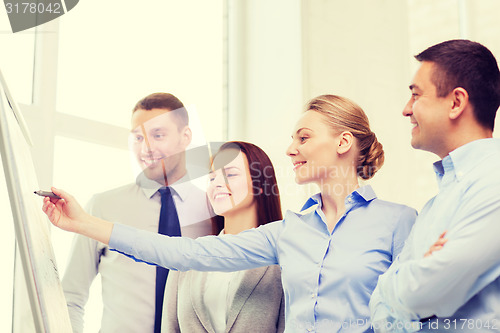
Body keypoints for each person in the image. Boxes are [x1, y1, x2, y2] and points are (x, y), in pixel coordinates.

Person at [43, 94, 417, 333]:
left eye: (303, 138)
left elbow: (417, 314)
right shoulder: (289, 232)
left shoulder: (399, 222)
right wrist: (84, 222)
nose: (290, 150)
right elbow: (184, 254)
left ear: (342, 143)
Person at [369, 39, 500, 332]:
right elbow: (377, 311)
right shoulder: (434, 205)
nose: (406, 109)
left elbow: (426, 293)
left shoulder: (495, 182)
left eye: (416, 95)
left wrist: (399, 281)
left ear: (456, 103)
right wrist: (412, 278)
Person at [61, 93, 213, 333]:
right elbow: (70, 296)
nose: (146, 148)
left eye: (158, 135)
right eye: (138, 137)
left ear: (185, 137)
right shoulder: (102, 206)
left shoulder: (213, 211)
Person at [163, 141, 285, 332]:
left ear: (261, 185)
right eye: (212, 178)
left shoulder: (283, 262)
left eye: (230, 175)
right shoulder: (186, 260)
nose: (217, 184)